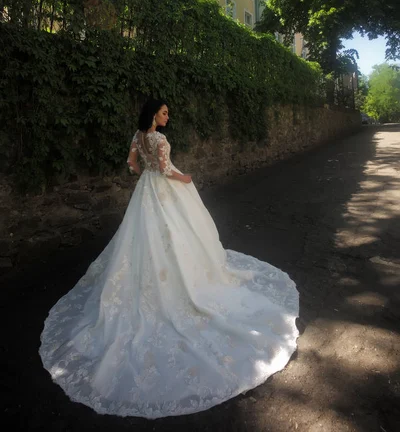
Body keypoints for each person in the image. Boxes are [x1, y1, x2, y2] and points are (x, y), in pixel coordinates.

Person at [39, 98, 299, 419]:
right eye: (163, 112)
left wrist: (145, 171)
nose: (167, 115)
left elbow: (132, 165)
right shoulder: (159, 138)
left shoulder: (137, 137)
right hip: (164, 188)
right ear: (153, 115)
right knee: (176, 234)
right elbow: (165, 169)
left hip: (145, 190)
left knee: (142, 238)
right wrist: (184, 177)